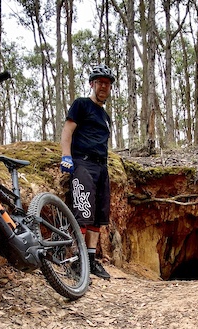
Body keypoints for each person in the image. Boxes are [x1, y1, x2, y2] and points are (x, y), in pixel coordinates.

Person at [59, 64, 115, 280]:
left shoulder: (105, 115)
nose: (104, 87)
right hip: (83, 164)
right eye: (100, 82)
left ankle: (91, 261)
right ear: (92, 84)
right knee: (82, 212)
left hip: (102, 167)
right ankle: (77, 260)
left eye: (107, 84)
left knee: (98, 217)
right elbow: (68, 130)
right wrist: (66, 156)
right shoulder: (81, 105)